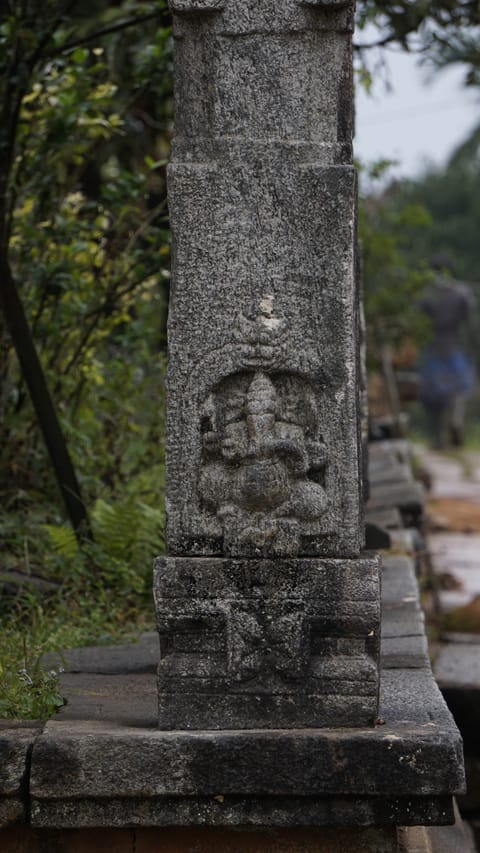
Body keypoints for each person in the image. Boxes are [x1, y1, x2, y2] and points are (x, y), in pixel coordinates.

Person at [418, 256, 476, 448]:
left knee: (435, 395)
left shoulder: (428, 294)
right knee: (459, 388)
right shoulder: (461, 293)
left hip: (434, 345)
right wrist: (472, 348)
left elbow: (416, 322)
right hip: (454, 345)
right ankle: (456, 419)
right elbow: (471, 325)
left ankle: (439, 437)